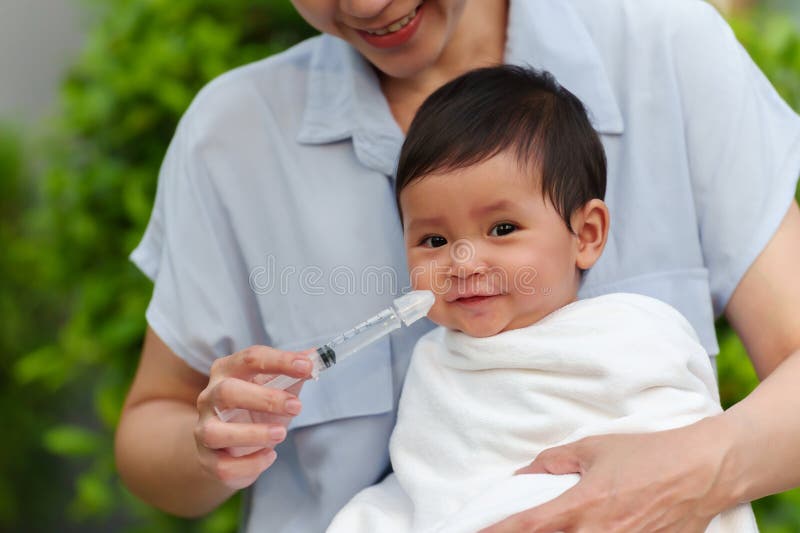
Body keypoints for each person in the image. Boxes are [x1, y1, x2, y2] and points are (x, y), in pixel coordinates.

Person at [114, 0, 800, 532]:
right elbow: (152, 427)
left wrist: (697, 471)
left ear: (589, 230)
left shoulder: (664, 47)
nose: (364, 6)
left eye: (503, 228)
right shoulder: (230, 139)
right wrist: (208, 445)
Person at [326, 64, 757, 533]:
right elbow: (430, 490)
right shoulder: (435, 365)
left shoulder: (634, 334)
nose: (464, 262)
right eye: (433, 241)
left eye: (503, 229)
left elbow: (681, 449)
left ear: (586, 235)